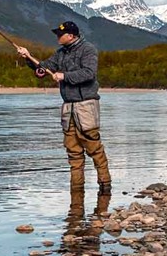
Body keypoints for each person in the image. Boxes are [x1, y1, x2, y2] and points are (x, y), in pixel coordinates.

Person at [15, 21, 111, 195]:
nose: (58, 37)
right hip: (68, 108)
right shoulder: (60, 53)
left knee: (94, 148)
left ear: (72, 36)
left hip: (86, 105)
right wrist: (28, 57)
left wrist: (64, 76)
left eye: (61, 34)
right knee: (73, 153)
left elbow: (89, 73)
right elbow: (43, 69)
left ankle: (105, 187)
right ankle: (76, 191)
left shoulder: (88, 50)